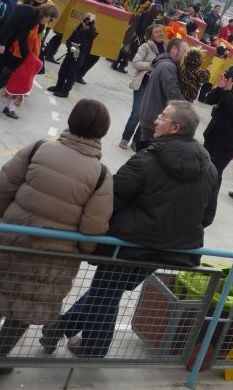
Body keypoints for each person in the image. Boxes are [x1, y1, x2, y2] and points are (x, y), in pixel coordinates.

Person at [40, 101, 218, 358]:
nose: (156, 120)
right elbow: (207, 217)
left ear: (175, 128)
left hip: (128, 244)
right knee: (108, 292)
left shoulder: (147, 160)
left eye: (163, 117)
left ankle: (93, 347)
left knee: (106, 292)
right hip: (167, 250)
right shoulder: (209, 169)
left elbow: (111, 199)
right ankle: (60, 327)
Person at [0, 100, 113, 372]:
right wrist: (85, 249)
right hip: (52, 257)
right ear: (102, 131)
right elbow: (92, 228)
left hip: (12, 239)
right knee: (25, 306)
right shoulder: (101, 176)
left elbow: (4, 187)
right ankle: (0, 355)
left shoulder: (39, 148)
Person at [119, 24, 166, 150]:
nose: (160, 33)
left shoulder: (166, 49)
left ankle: (136, 141)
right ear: (151, 34)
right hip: (143, 85)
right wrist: (152, 65)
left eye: (161, 31)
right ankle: (125, 138)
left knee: (148, 117)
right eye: (157, 32)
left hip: (156, 90)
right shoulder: (145, 46)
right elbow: (135, 63)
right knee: (137, 113)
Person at [137, 38, 188, 150]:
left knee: (144, 155)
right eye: (184, 51)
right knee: (146, 158)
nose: (186, 56)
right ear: (174, 49)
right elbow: (173, 94)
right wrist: (187, 105)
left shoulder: (164, 63)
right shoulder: (168, 67)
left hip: (151, 117)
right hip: (155, 120)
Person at [47, 14, 98, 98]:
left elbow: (92, 32)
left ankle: (65, 91)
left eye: (88, 23)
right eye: (85, 22)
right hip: (71, 52)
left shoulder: (90, 34)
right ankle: (58, 86)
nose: (86, 24)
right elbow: (68, 41)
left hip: (79, 55)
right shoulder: (77, 30)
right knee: (62, 71)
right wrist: (71, 47)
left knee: (72, 74)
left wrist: (91, 21)